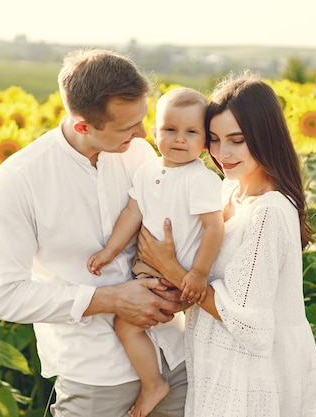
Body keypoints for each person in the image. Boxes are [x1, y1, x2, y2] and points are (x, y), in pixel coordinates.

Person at [0, 47, 189, 417]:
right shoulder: (20, 178)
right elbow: (8, 296)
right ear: (83, 125)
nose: (143, 134)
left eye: (142, 120)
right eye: (128, 128)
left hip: (173, 357)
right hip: (94, 373)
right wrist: (111, 299)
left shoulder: (140, 155)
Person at [136, 72, 316, 417]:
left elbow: (251, 326)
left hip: (252, 381)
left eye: (237, 140)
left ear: (265, 137)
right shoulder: (229, 190)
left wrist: (170, 267)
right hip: (217, 366)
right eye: (213, 139)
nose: (222, 153)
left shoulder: (270, 211)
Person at [86, 87, 224, 417]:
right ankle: (157, 378)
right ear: (153, 132)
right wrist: (109, 250)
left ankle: (153, 384)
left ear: (204, 141)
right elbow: (132, 214)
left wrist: (198, 274)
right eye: (170, 130)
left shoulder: (200, 179)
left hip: (178, 277)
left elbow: (213, 228)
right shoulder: (146, 171)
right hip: (149, 271)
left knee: (126, 324)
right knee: (132, 322)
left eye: (191, 132)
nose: (179, 139)